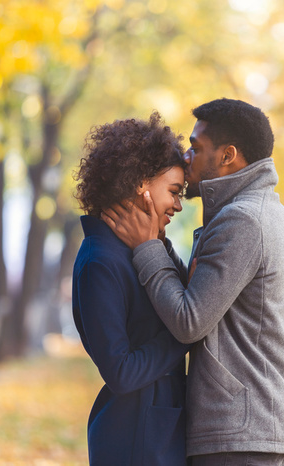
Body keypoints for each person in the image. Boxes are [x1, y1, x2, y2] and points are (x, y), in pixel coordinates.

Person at [102, 98, 284, 465]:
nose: (186, 158)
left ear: (228, 155)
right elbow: (204, 296)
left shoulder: (243, 221)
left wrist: (147, 247)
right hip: (247, 426)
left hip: (241, 431)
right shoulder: (254, 211)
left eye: (196, 148)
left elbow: (189, 320)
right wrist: (156, 242)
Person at [72, 112, 191, 466]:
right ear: (142, 183)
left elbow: (188, 293)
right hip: (135, 439)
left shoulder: (135, 250)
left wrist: (158, 244)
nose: (179, 204)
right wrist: (186, 332)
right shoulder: (101, 261)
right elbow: (121, 372)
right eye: (174, 191)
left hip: (155, 430)